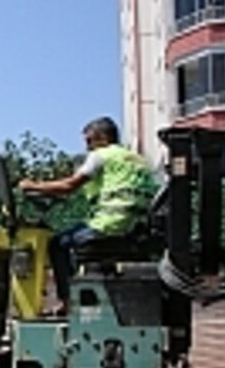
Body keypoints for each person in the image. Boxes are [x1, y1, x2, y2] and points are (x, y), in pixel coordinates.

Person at [18, 117, 155, 316]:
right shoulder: (138, 159)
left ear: (104, 137)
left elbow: (69, 186)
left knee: (58, 243)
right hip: (135, 226)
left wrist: (32, 186)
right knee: (73, 237)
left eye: (90, 140)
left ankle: (68, 302)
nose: (87, 146)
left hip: (109, 223)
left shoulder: (101, 156)